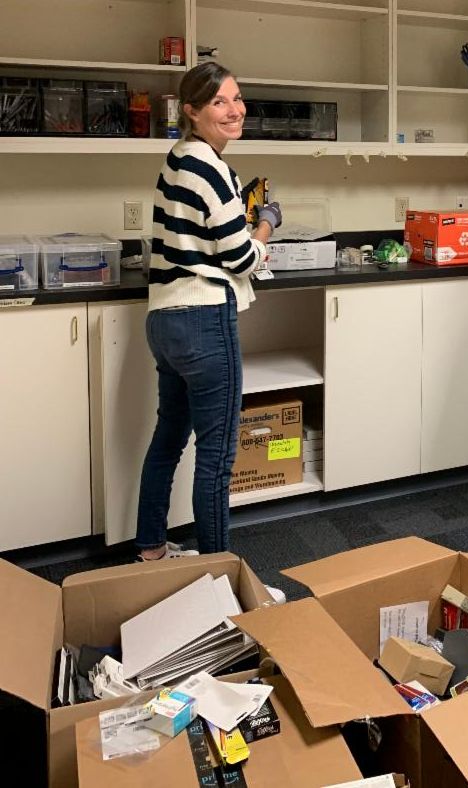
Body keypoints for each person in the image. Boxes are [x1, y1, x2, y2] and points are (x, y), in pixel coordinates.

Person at [136, 62, 281, 560]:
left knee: (169, 439)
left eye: (238, 98)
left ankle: (152, 551)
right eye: (219, 102)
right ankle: (218, 576)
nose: (234, 110)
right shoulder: (211, 167)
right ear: (191, 112)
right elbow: (240, 258)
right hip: (203, 319)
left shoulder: (177, 158)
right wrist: (266, 225)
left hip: (165, 320)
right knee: (217, 458)